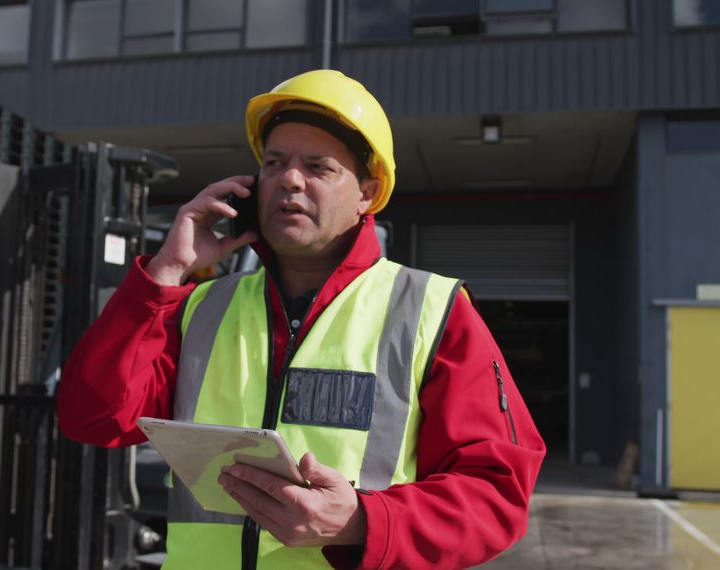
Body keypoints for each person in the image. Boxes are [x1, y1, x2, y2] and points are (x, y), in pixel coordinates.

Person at [57, 69, 545, 569]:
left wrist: (360, 522)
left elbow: (496, 495)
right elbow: (92, 417)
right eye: (274, 163)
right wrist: (165, 271)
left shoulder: (432, 310)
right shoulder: (201, 306)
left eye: (318, 166)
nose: (290, 178)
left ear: (367, 193)